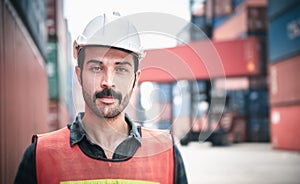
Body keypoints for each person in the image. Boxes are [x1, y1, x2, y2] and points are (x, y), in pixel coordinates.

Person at [14, 12, 188, 184]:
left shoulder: (166, 154)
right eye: (97, 68)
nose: (108, 82)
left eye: (121, 69)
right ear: (79, 75)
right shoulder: (40, 156)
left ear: (136, 79)